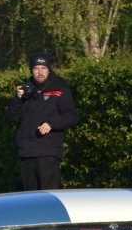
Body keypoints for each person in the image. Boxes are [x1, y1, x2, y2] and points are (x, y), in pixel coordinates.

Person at [5, 54, 79, 190]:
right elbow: (12, 117)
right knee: (30, 198)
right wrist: (18, 99)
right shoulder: (26, 91)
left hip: (48, 153)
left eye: (43, 68)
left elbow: (72, 116)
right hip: (27, 153)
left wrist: (51, 123)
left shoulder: (59, 89)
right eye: (36, 68)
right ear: (31, 71)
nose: (40, 72)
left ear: (49, 69)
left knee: (47, 196)